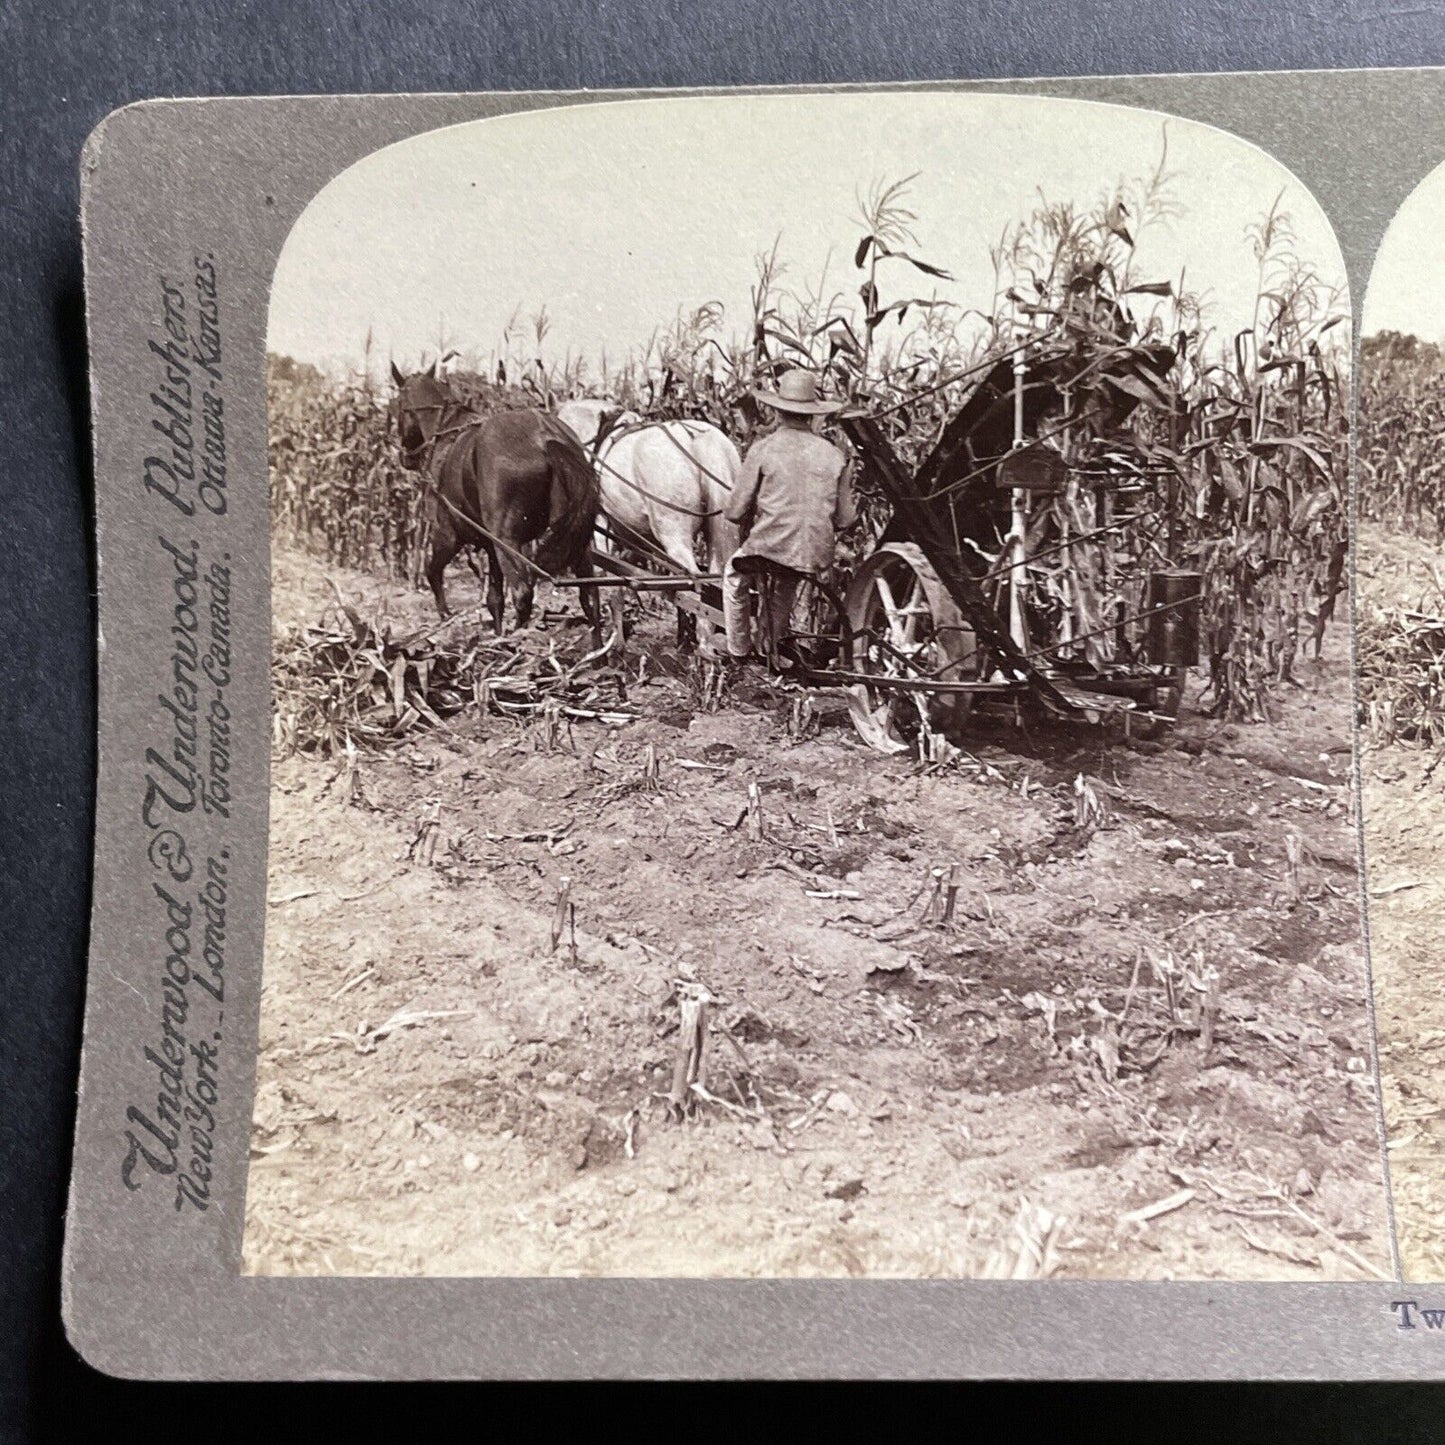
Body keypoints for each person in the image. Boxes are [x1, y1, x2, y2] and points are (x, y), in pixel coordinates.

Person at [723, 369, 857, 665]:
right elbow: (846, 519)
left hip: (770, 547)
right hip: (813, 553)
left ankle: (738, 653)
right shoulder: (835, 455)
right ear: (811, 414)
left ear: (778, 411)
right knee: (785, 584)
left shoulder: (763, 448)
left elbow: (734, 513)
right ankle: (768, 648)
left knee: (733, 577)